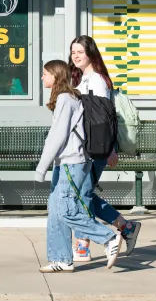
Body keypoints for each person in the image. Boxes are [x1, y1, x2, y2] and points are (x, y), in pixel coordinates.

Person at [36, 60, 122, 273]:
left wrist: (41, 167)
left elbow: (57, 137)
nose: (42, 78)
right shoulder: (68, 98)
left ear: (55, 76)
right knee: (56, 211)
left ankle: (108, 237)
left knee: (66, 211)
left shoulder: (66, 99)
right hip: (67, 163)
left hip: (71, 162)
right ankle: (61, 259)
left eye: (45, 74)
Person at [69, 35, 141, 262]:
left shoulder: (97, 80)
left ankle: (83, 244)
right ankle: (126, 227)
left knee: (81, 196)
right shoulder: (82, 79)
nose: (76, 56)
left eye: (80, 51)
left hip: (96, 149)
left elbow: (104, 118)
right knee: (83, 195)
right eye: (73, 52)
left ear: (91, 53)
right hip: (85, 147)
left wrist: (109, 149)